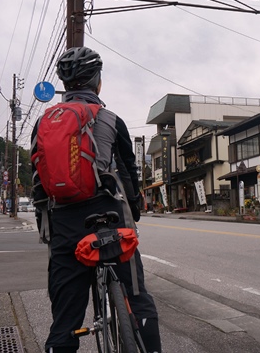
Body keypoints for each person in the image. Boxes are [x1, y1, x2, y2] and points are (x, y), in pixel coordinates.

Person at [32, 47, 161, 353]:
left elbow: (39, 182)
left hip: (65, 223)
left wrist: (47, 229)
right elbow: (129, 174)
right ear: (98, 83)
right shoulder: (111, 120)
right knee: (137, 298)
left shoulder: (43, 124)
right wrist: (136, 209)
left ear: (64, 85)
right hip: (110, 219)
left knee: (65, 319)